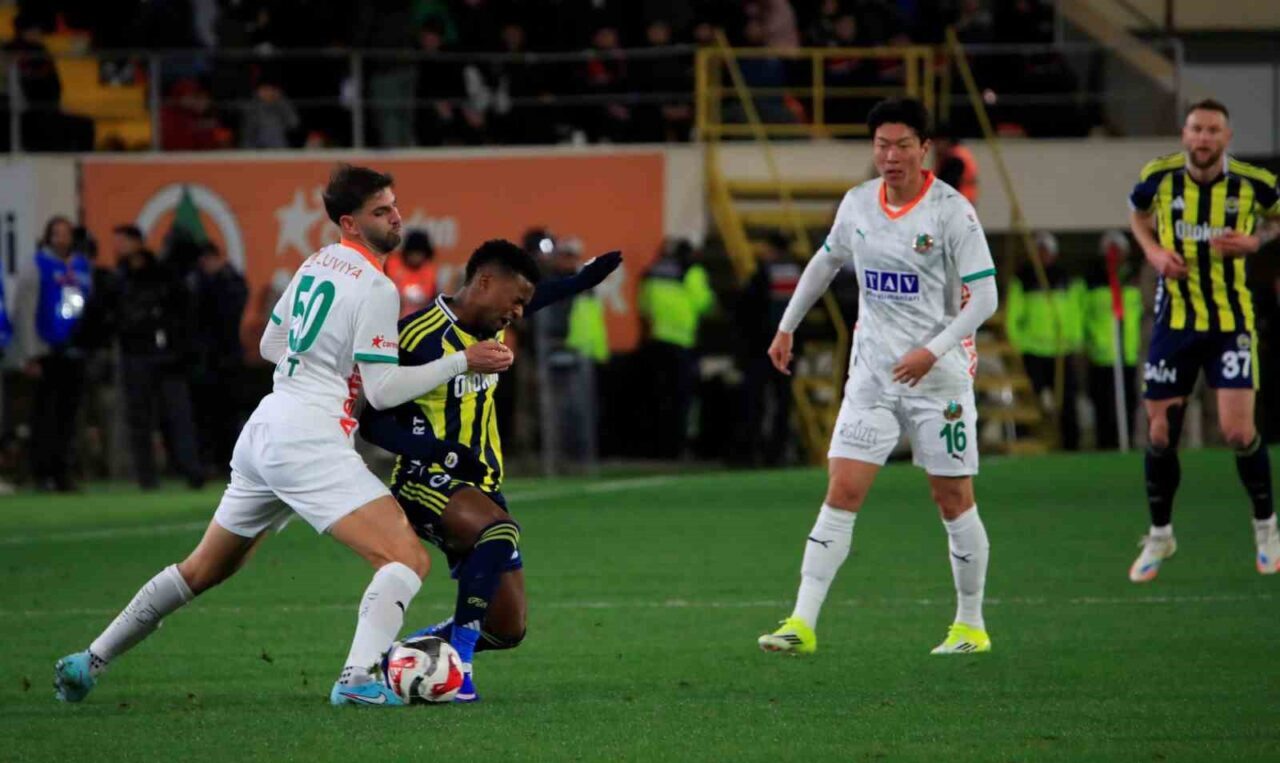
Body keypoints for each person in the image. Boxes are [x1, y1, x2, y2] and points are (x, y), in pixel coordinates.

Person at [54, 164, 516, 708]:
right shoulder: (376, 286)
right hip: (309, 437)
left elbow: (272, 345)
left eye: (394, 206)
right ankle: (357, 679)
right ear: (349, 223)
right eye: (380, 211)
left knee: (202, 568)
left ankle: (89, 661)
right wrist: (462, 360)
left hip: (267, 426)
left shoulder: (315, 263)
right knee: (406, 560)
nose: (395, 217)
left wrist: (324, 363)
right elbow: (385, 390)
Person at [756, 97, 999, 656]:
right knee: (842, 491)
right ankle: (801, 622)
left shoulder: (951, 211)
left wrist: (931, 351)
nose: (891, 156)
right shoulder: (858, 203)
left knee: (952, 498)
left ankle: (970, 625)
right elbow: (825, 261)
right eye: (882, 145)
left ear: (924, 148)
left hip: (939, 381)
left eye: (902, 145)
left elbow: (985, 297)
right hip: (872, 377)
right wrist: (787, 326)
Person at [358, 246, 622, 701]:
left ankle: (404, 657)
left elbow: (542, 296)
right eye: (515, 300)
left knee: (507, 628)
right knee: (500, 531)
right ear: (484, 282)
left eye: (524, 304)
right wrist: (441, 453)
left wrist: (584, 279)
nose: (519, 313)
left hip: (482, 487)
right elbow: (373, 421)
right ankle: (460, 669)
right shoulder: (418, 335)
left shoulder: (492, 323)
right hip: (425, 479)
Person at [1127, 99, 1280, 581]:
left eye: (1213, 130)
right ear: (1185, 134)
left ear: (1227, 138)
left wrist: (1256, 241)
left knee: (1237, 432)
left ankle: (1266, 528)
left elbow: (1277, 218)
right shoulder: (1158, 176)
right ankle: (1160, 535)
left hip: (1230, 322)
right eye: (1196, 129)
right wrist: (1154, 253)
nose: (1203, 138)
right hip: (1173, 323)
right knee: (1159, 434)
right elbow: (1138, 215)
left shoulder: (1255, 183)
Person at [112, 225, 205, 489]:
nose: (118, 247)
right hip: (135, 355)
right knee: (140, 418)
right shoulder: (119, 279)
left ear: (137, 242)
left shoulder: (163, 273)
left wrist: (179, 347)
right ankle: (147, 478)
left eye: (122, 241)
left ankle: (191, 469)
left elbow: (182, 312)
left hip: (168, 356)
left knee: (178, 415)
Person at [15, 216, 92, 492]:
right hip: (47, 348)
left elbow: (87, 304)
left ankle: (63, 473)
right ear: (48, 236)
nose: (62, 238)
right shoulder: (37, 264)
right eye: (57, 233)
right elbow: (24, 310)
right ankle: (42, 473)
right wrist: (30, 353)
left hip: (75, 348)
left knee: (69, 416)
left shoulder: (81, 265)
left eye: (66, 233)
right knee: (45, 415)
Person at [1006, 230, 1084, 450]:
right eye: (1038, 250)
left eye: (1045, 250)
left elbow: (1074, 312)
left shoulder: (1066, 279)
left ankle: (1071, 446)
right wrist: (1019, 344)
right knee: (1030, 400)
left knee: (1067, 401)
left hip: (1062, 350)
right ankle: (1027, 443)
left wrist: (1074, 340)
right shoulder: (1022, 279)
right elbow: (1013, 316)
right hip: (1033, 350)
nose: (1042, 255)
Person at [637, 239, 715, 459]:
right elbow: (703, 303)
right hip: (683, 342)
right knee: (682, 399)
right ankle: (678, 447)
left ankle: (657, 447)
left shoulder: (652, 272)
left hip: (657, 340)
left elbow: (644, 306)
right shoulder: (692, 271)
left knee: (659, 397)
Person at [737, 231, 801, 467]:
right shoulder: (799, 271)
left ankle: (750, 452)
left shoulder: (763, 273)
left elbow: (747, 308)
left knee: (756, 400)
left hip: (763, 346)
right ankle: (778, 453)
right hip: (790, 347)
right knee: (783, 401)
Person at [190, 241, 249, 475]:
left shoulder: (230, 282)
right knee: (207, 416)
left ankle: (229, 462)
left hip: (227, 359)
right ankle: (211, 461)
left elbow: (228, 313)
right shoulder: (199, 282)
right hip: (207, 360)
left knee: (229, 415)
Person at [1082, 231, 1141, 450]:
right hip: (1101, 354)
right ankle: (1104, 444)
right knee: (1102, 403)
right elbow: (1084, 316)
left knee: (1129, 402)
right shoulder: (1092, 282)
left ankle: (1127, 442)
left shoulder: (1134, 279)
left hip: (1128, 353)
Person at [385, 229, 439, 318]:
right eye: (413, 253)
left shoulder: (428, 270)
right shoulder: (391, 264)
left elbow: (429, 298)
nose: (415, 257)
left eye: (419, 254)